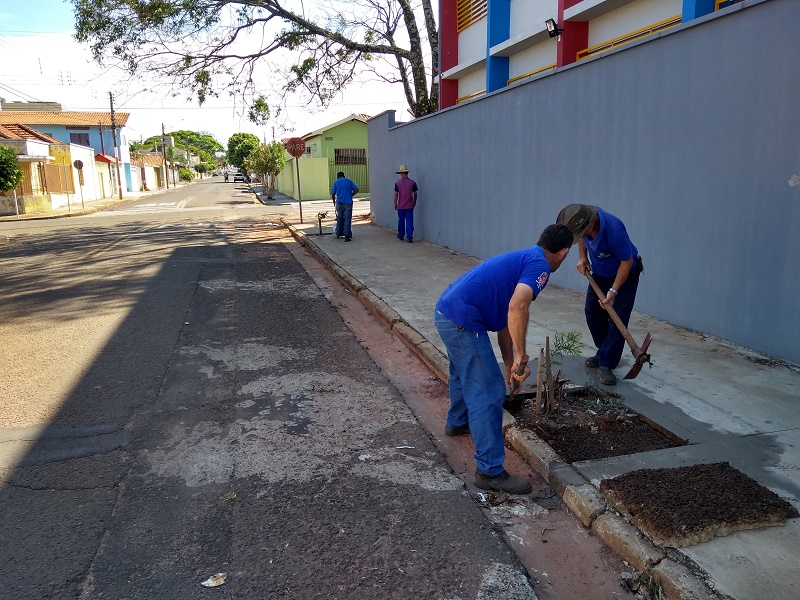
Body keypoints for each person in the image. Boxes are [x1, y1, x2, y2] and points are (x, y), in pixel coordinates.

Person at [434, 224, 574, 494]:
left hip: (448, 312)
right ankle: (490, 471)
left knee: (463, 373)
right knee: (488, 391)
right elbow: (517, 306)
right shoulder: (540, 266)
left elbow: (504, 321)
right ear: (564, 253)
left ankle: (457, 422)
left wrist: (510, 363)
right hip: (462, 321)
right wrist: (522, 354)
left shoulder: (525, 257)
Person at [556, 204, 643, 386]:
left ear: (592, 220)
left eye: (583, 231)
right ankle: (604, 350)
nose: (581, 236)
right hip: (600, 273)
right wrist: (583, 258)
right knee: (592, 312)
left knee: (617, 318)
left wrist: (613, 291)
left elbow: (626, 261)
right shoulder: (584, 229)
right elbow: (581, 239)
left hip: (624, 275)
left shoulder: (614, 230)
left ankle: (607, 363)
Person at [331, 171, 359, 241]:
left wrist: (334, 202)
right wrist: (351, 195)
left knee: (339, 219)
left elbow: (333, 194)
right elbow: (356, 189)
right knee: (347, 219)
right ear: (344, 176)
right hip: (348, 203)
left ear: (338, 177)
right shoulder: (349, 181)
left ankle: (339, 233)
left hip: (339, 203)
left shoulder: (336, 182)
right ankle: (347, 236)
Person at [393, 164, 418, 243]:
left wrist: (395, 203)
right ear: (407, 173)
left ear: (401, 173)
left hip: (401, 205)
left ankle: (401, 234)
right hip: (410, 205)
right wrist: (414, 202)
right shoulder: (413, 183)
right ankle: (409, 237)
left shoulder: (397, 183)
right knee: (409, 221)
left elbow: (396, 194)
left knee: (401, 220)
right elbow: (415, 193)